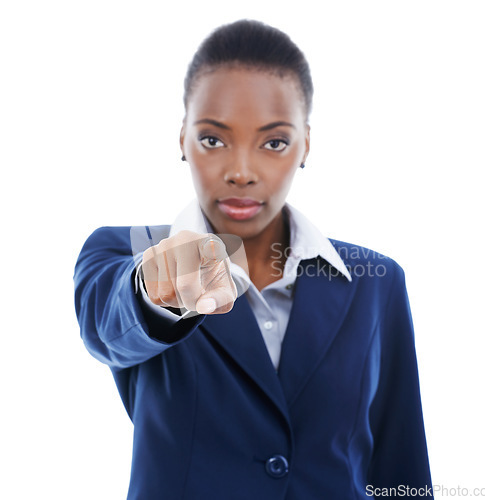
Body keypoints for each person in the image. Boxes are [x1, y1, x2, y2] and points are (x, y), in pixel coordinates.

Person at [74, 19, 433, 499]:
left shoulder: (377, 281)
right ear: (182, 139)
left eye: (274, 142)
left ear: (306, 144)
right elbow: (109, 326)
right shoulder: (128, 250)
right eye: (214, 139)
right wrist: (160, 287)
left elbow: (400, 467)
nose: (241, 172)